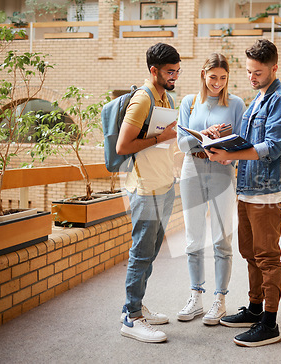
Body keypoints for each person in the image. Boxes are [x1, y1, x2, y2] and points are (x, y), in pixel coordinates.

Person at [206, 39, 281, 347]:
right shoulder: (258, 98)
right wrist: (224, 142)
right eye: (248, 72)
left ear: (274, 68)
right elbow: (248, 142)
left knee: (267, 257)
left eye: (258, 72)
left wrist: (230, 155)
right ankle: (255, 308)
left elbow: (271, 148)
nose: (252, 77)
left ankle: (269, 324)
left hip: (267, 192)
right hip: (247, 188)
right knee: (250, 253)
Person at [116, 43, 181, 343]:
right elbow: (123, 146)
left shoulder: (165, 96)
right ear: (153, 70)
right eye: (170, 72)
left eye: (177, 72)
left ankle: (135, 305)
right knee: (141, 254)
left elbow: (166, 140)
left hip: (164, 185)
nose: (174, 77)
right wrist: (161, 136)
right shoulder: (142, 99)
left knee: (151, 252)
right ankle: (131, 319)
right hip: (145, 190)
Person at [177, 53, 245, 325]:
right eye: (213, 76)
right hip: (191, 169)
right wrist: (206, 136)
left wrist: (226, 149)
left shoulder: (237, 104)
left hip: (222, 171)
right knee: (193, 238)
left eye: (223, 78)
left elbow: (242, 143)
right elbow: (182, 143)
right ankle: (196, 296)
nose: (217, 82)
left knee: (221, 238)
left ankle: (220, 299)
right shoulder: (189, 102)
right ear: (204, 75)